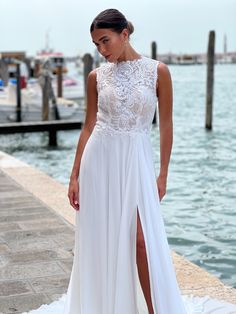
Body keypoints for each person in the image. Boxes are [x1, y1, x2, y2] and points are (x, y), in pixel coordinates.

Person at [22, 8, 236, 314]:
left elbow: (166, 125)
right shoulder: (96, 76)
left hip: (135, 160)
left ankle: (153, 310)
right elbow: (88, 125)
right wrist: (74, 176)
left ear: (125, 34)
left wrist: (163, 174)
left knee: (139, 240)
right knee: (101, 240)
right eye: (96, 44)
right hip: (98, 160)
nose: (101, 49)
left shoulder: (158, 71)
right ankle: (105, 304)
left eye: (105, 40)